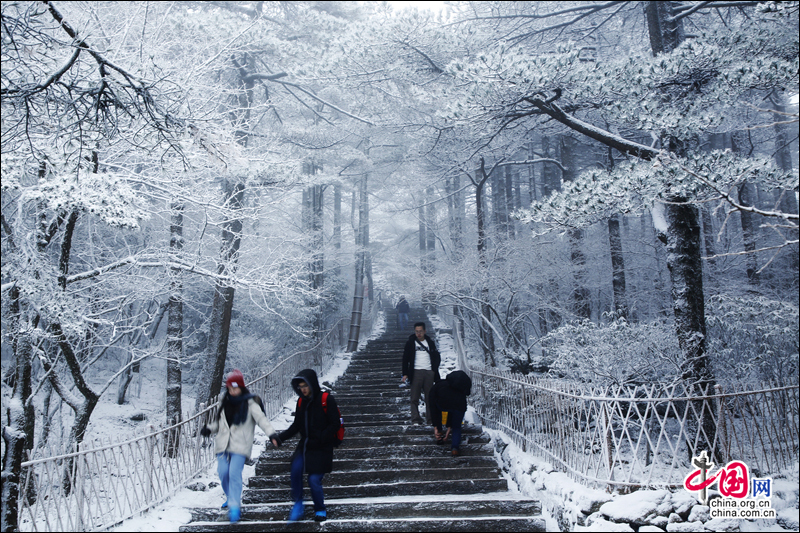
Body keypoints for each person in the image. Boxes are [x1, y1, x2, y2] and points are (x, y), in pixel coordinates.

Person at [200, 369, 279, 524]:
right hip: (223, 444)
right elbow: (219, 421)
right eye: (230, 388)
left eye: (235, 388)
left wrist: (272, 434)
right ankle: (230, 498)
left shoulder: (250, 402)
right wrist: (210, 428)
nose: (233, 391)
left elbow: (261, 419)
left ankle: (235, 506)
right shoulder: (224, 401)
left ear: (242, 387)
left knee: (234, 473)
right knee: (223, 473)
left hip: (240, 445)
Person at [275, 368, 341, 522]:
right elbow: (296, 425)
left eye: (306, 386)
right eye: (301, 387)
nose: (303, 389)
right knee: (295, 470)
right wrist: (280, 438)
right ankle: (298, 504)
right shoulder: (300, 402)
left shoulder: (326, 399)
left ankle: (320, 508)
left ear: (312, 384)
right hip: (304, 446)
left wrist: (321, 437)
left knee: (313, 480)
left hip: (322, 447)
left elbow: (335, 423)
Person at [401, 322, 441, 425]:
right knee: (414, 397)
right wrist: (405, 373)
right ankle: (415, 418)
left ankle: (430, 419)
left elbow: (436, 356)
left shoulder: (430, 342)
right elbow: (405, 359)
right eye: (416, 332)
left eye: (420, 331)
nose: (418, 334)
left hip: (428, 372)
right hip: (416, 372)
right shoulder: (410, 343)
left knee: (430, 397)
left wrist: (434, 370)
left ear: (425, 331)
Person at [429, 370, 472, 456]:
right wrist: (450, 426)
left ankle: (440, 434)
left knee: (438, 409)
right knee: (456, 427)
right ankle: (455, 448)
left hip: (442, 404)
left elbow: (433, 408)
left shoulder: (438, 386)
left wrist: (436, 426)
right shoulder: (460, 389)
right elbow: (454, 408)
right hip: (459, 406)